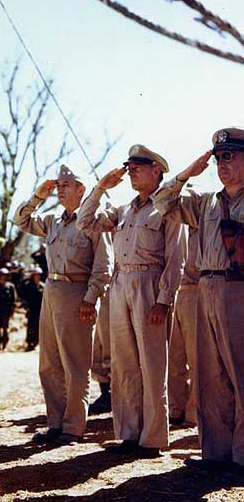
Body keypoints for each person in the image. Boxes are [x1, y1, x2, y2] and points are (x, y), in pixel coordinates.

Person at [77, 145, 185, 457]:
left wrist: (164, 300)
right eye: (129, 165)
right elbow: (85, 222)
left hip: (151, 284)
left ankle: (152, 438)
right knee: (123, 363)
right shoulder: (123, 210)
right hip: (120, 283)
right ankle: (129, 432)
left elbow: (176, 258)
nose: (132, 170)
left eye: (139, 165)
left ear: (157, 170)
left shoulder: (167, 208)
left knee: (152, 364)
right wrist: (99, 188)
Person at [153, 128, 244, 474]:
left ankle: (241, 456)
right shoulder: (206, 200)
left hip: (238, 288)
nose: (223, 164)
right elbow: (163, 202)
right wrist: (186, 174)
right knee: (210, 374)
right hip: (205, 286)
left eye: (231, 156)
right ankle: (216, 452)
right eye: (219, 157)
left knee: (240, 372)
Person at [14, 165, 112, 444]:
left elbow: (104, 264)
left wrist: (91, 297)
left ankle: (73, 427)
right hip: (52, 290)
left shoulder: (93, 221)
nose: (60, 189)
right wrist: (37, 196)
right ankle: (55, 423)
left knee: (76, 363)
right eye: (59, 185)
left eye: (66, 185)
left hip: (77, 290)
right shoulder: (53, 220)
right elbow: (20, 221)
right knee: (49, 363)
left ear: (82, 189)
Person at [167, 226, 199, 427]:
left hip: (194, 291)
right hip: (170, 293)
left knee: (196, 357)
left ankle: (194, 412)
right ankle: (175, 408)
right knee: (172, 356)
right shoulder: (171, 226)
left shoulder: (202, 225)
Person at [0, 269, 16, 350]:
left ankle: (4, 344)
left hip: (6, 310)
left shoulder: (10, 286)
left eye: (5, 276)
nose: (3, 277)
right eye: (2, 276)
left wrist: (12, 310)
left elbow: (13, 299)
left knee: (5, 327)